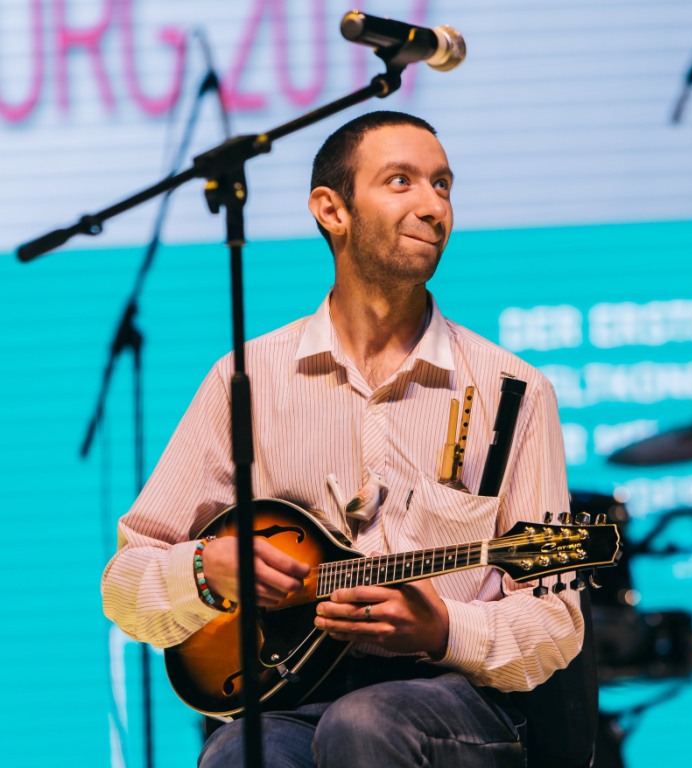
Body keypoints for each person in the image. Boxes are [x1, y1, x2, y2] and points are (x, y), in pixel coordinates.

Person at [102, 110, 584, 767]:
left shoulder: (514, 392)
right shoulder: (246, 379)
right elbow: (125, 584)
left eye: (442, 185)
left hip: (458, 700)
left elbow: (557, 620)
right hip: (292, 691)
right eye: (401, 181)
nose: (433, 206)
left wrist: (444, 628)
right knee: (238, 754)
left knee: (363, 724)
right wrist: (204, 573)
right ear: (332, 210)